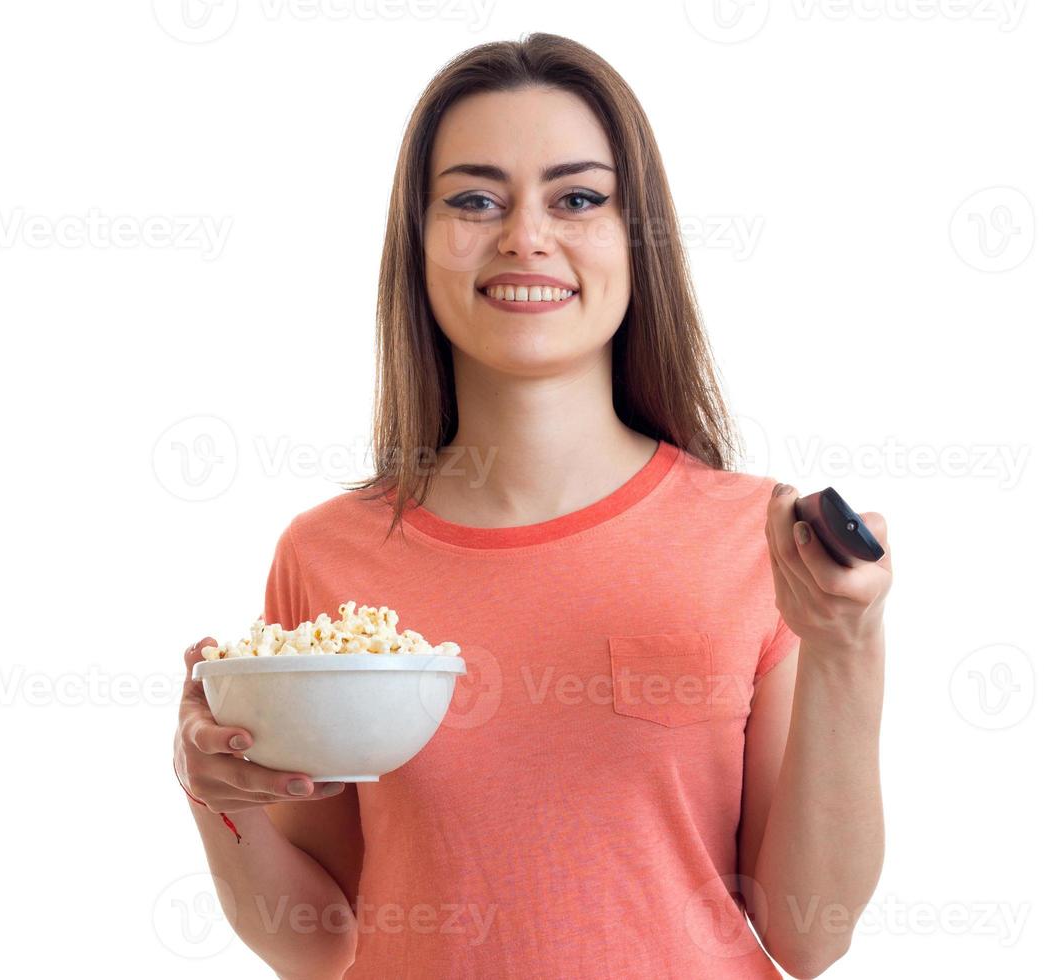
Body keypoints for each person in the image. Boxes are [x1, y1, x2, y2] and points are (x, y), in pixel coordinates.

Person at [173, 32, 891, 979]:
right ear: (417, 242)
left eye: (578, 198)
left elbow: (811, 935)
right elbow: (319, 940)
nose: (524, 235)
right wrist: (208, 785)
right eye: (473, 199)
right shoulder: (329, 561)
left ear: (637, 240)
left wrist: (847, 651)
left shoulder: (754, 542)